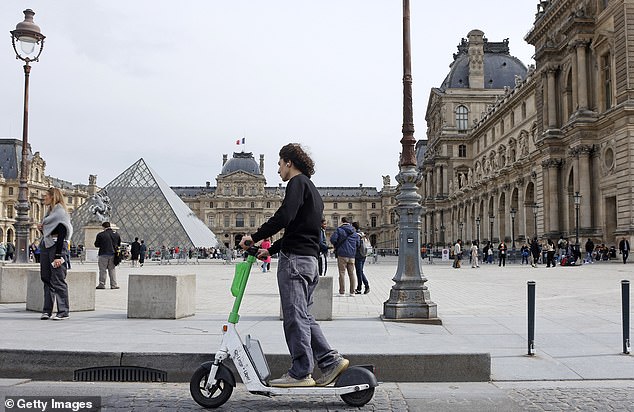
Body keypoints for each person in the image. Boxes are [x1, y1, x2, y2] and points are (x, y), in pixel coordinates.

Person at [239, 143, 349, 388]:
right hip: (309, 261)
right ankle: (330, 362)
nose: (278, 170)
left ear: (289, 162)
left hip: (295, 263)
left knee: (294, 318)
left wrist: (254, 237)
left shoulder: (296, 184)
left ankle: (300, 371)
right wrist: (268, 251)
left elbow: (284, 217)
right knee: (304, 316)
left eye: (280, 164)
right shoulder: (312, 190)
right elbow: (297, 232)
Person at [38, 187, 73, 321]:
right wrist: (42, 229)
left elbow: (62, 234)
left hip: (57, 247)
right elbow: (48, 233)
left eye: (46, 196)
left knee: (58, 279)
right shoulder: (49, 213)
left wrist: (58, 255)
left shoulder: (60, 212)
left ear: (53, 197)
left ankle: (63, 311)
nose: (44, 198)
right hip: (46, 246)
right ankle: (47, 310)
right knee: (46, 278)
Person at [330, 217, 359, 296]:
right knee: (352, 274)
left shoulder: (339, 230)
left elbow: (333, 239)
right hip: (352, 255)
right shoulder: (354, 232)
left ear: (342, 221)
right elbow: (358, 243)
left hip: (342, 254)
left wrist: (337, 244)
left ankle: (342, 292)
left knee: (342, 273)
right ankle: (352, 292)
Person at [94, 221, 121, 289]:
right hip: (113, 255)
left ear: (103, 227)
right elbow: (119, 244)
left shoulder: (100, 234)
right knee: (112, 270)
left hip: (103, 254)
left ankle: (102, 284)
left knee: (102, 270)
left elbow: (96, 245)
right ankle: (113, 285)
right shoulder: (116, 234)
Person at [352, 222, 370, 294]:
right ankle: (360, 287)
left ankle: (365, 286)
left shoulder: (356, 235)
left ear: (354, 227)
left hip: (358, 255)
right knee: (360, 271)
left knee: (359, 272)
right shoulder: (362, 234)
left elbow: (357, 245)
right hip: (364, 254)